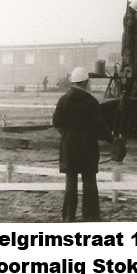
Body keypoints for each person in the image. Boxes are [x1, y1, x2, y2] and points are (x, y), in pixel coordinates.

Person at [52, 66, 115, 222]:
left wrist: (67, 135)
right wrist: (112, 140)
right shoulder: (91, 102)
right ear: (86, 82)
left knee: (70, 184)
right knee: (89, 183)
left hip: (69, 148)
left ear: (73, 82)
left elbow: (57, 122)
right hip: (88, 147)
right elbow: (100, 126)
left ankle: (68, 217)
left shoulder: (63, 100)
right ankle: (90, 217)